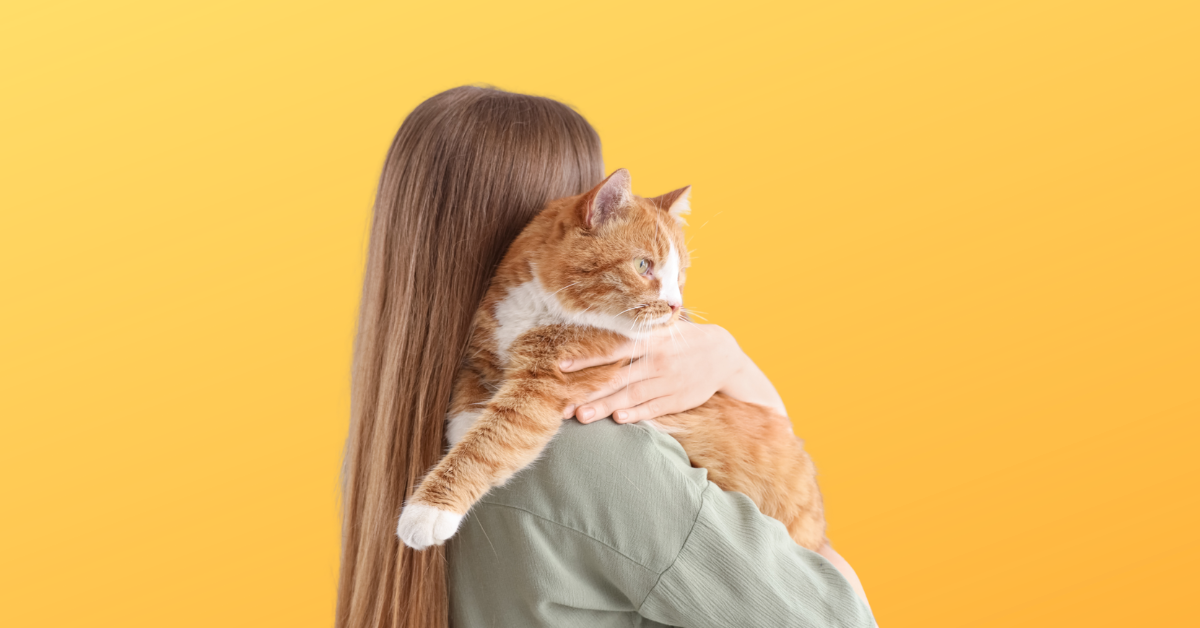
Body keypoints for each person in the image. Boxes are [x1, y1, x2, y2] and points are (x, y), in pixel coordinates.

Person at [337, 85, 876, 628]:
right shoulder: (597, 451)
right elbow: (837, 615)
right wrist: (755, 392)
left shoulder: (392, 439)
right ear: (574, 217)